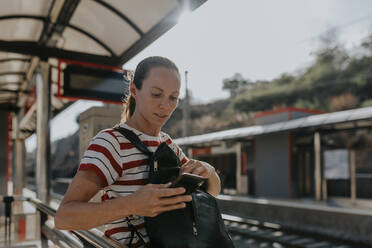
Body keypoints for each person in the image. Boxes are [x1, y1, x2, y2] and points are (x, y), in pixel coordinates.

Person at [55, 56, 221, 247]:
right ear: (134, 90)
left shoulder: (168, 144)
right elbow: (64, 217)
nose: (165, 105)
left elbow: (213, 192)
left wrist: (207, 170)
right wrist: (132, 204)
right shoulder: (111, 142)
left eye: (173, 97)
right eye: (156, 94)